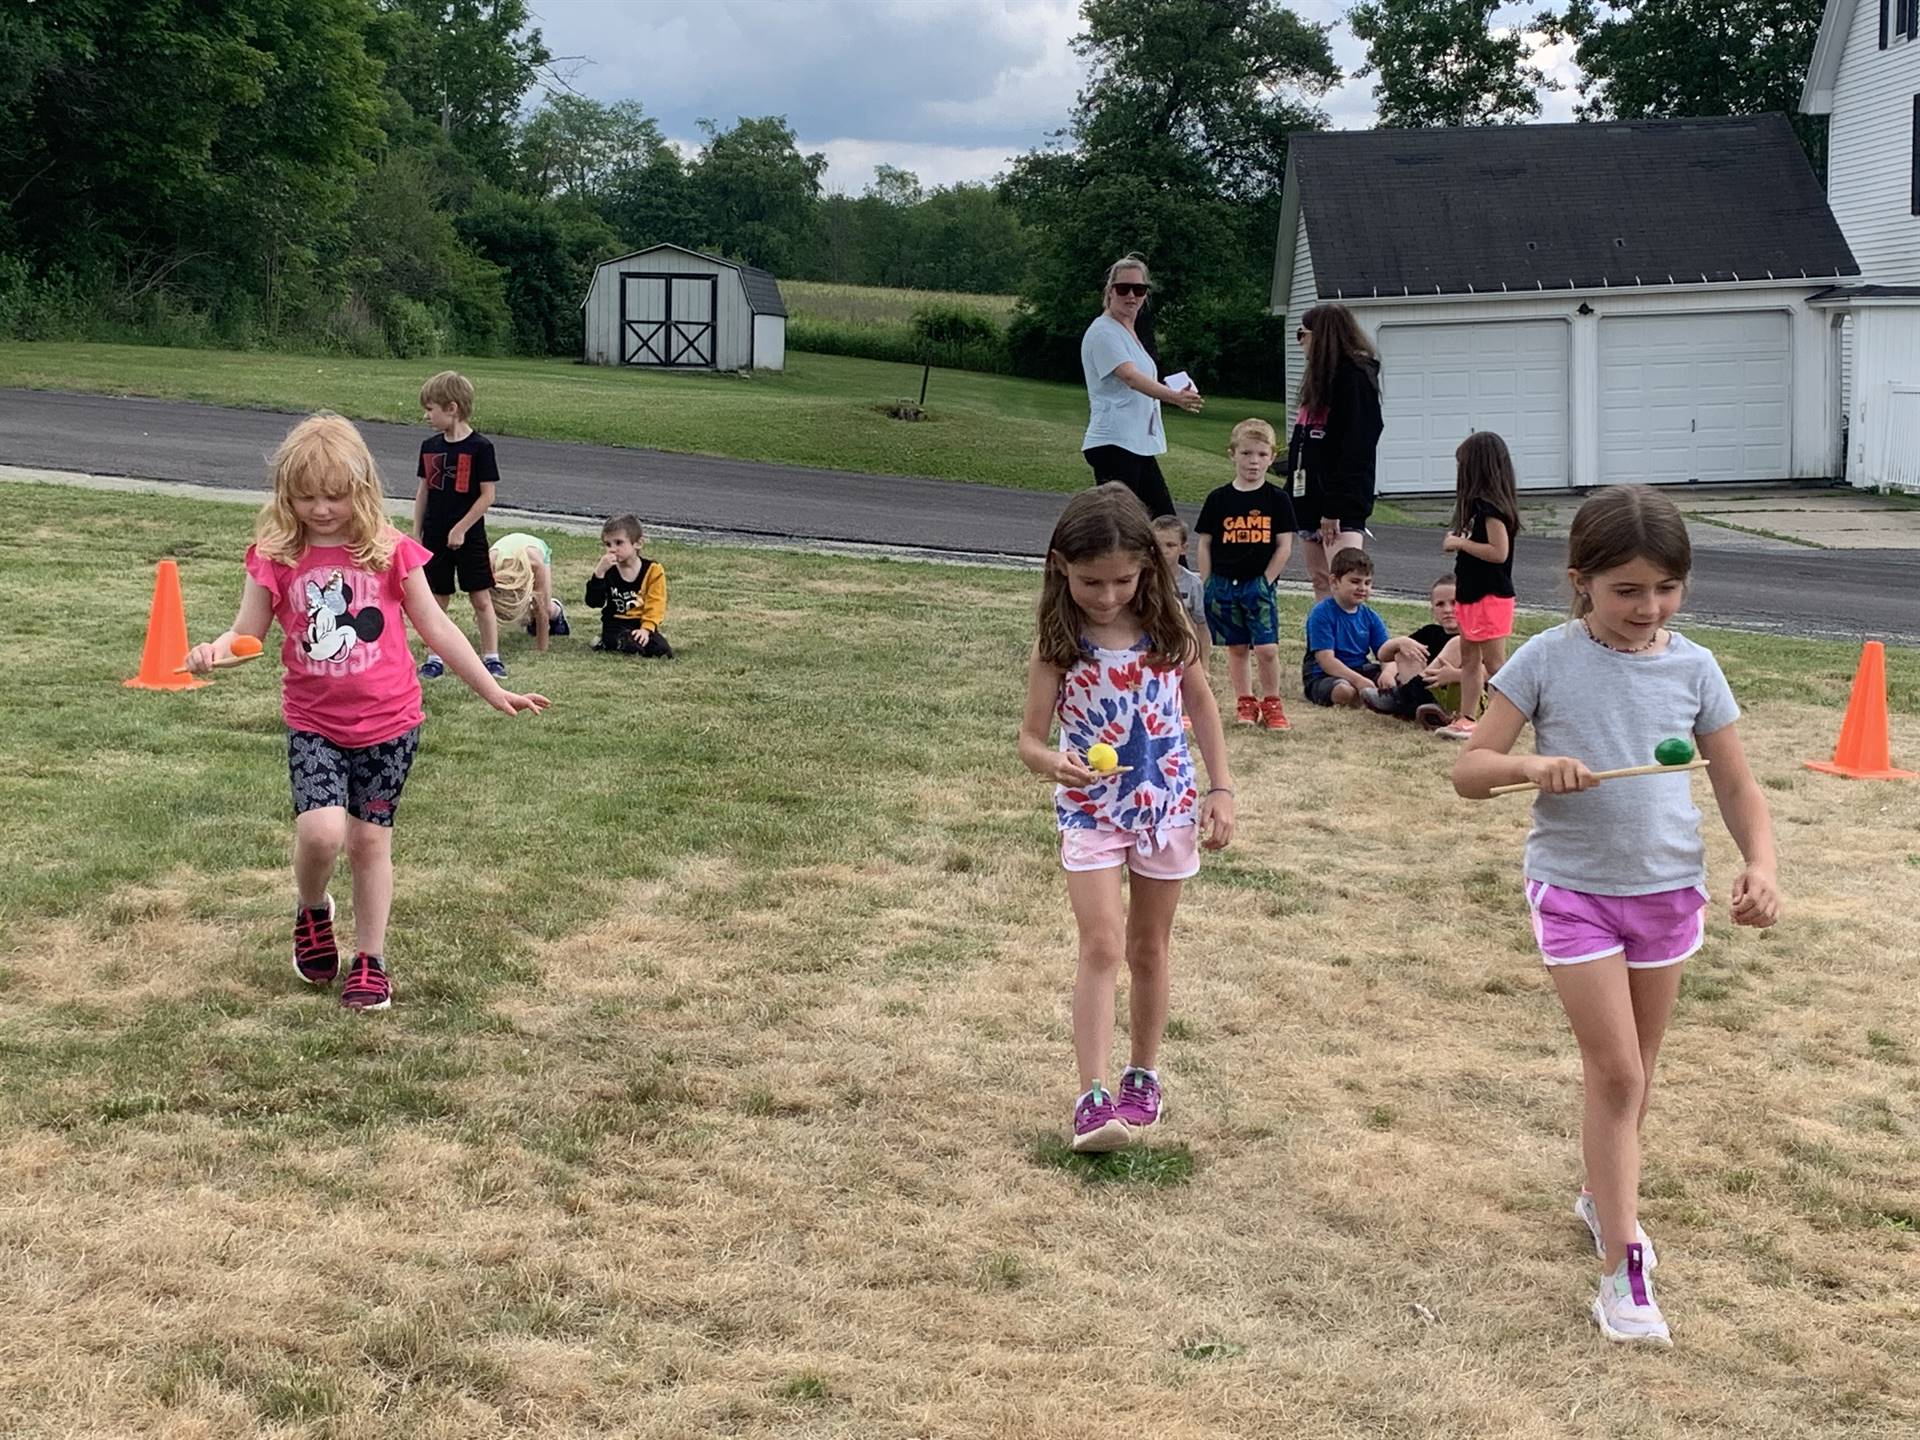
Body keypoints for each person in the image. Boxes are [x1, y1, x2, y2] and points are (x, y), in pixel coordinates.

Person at [1453, 484, 1780, 1349]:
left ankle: (1604, 1197)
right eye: (1627, 590)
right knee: (1619, 1072)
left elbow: (1735, 784)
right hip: (1574, 892)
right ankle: (1621, 1274)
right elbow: (1471, 769)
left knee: (1638, 1073)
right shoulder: (1547, 661)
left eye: (1666, 588)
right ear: (1581, 582)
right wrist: (1534, 767)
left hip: (1667, 892)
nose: (1649, 607)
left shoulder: (1695, 668)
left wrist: (1761, 862)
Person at [185, 414, 549, 1012]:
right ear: (285, 495)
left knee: (368, 844)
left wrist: (492, 688)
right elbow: (245, 634)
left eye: (334, 495)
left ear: (360, 489)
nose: (321, 509)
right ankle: (312, 910)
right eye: (306, 497)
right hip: (314, 723)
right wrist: (212, 655)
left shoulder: (387, 550)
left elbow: (435, 627)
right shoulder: (274, 555)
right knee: (323, 832)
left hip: (391, 725)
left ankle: (371, 961)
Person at [1017, 484, 1235, 1154]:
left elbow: (1200, 705)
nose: (1107, 596)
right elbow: (1029, 741)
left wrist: (1220, 788)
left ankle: (1143, 1073)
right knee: (1103, 944)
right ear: (1060, 565)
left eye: (1122, 580)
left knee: (1149, 948)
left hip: (1165, 807)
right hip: (1091, 813)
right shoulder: (1060, 641)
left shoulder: (1168, 629)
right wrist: (1055, 763)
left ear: (1146, 567)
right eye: (1091, 582)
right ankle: (1092, 1097)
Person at [1080, 254, 1203, 520]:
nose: (1131, 296)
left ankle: (1173, 563)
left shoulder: (1130, 333)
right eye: (1123, 289)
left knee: (1163, 522)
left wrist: (1177, 388)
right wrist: (1173, 397)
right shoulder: (1103, 332)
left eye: (1139, 289)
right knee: (1123, 524)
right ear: (1110, 291)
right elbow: (1131, 377)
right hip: (1114, 443)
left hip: (1137, 444)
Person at [1194, 418, 1296, 731]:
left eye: (1262, 455)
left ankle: (1272, 702)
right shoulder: (1218, 499)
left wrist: (1266, 581)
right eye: (1247, 453)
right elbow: (1205, 542)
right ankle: (1245, 701)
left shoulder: (1277, 499)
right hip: (1224, 584)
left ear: (1271, 456)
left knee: (1266, 648)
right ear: (1233, 454)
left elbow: (1284, 546)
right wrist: (1208, 582)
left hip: (1258, 584)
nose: (1254, 461)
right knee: (1237, 647)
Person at [1281, 303, 1383, 602]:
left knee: (1345, 586)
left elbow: (1356, 449)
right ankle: (1323, 647)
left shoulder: (1354, 379)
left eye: (1303, 334)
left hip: (1340, 506)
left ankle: (1348, 646)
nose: (1300, 341)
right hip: (1309, 498)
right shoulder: (1319, 380)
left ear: (1322, 336)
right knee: (1321, 581)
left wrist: (1334, 508)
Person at [414, 370, 504, 681]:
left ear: (452, 408)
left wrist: (462, 528)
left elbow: (487, 495)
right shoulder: (430, 447)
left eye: (431, 409)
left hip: (470, 536)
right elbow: (424, 490)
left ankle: (491, 657)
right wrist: (417, 532)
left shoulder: (481, 447)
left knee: (480, 597)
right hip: (435, 535)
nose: (426, 415)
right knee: (436, 598)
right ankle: (434, 656)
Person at [1438, 431, 1521, 741]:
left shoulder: (1492, 511)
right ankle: (1468, 717)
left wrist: (1460, 542)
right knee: (1470, 658)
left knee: (1495, 662)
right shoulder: (1474, 511)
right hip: (1469, 593)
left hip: (1491, 595)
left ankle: (1506, 717)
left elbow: (1498, 553)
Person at [1300, 547, 1425, 708]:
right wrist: (1359, 681)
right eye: (1355, 581)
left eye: (1367, 582)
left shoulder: (1370, 616)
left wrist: (1387, 673)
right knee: (1344, 691)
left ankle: (1379, 697)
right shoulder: (1321, 613)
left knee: (1400, 680)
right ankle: (1368, 697)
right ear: (1334, 581)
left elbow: (1385, 654)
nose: (1362, 588)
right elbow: (1326, 661)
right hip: (1324, 675)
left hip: (1360, 668)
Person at [1362, 575, 1464, 730]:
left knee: (1457, 644)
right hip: (1430, 696)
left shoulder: (1475, 638)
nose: (1448, 610)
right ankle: (1421, 709)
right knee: (1405, 652)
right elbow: (1382, 655)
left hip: (1461, 698)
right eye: (1440, 604)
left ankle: (1404, 698)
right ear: (1432, 611)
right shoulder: (1430, 632)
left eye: (1454, 603)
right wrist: (1400, 642)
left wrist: (1455, 675)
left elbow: (1491, 674)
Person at [587, 513, 672, 658]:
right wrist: (599, 573)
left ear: (637, 544)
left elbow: (656, 603)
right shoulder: (608, 569)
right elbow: (594, 602)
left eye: (619, 543)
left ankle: (643, 639)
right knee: (632, 647)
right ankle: (604, 642)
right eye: (608, 544)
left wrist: (646, 629)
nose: (612, 549)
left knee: (662, 650)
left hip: (639, 622)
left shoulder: (653, 570)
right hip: (615, 623)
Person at [1151, 514, 1211, 693]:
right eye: (1157, 545)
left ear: (1183, 548)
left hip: (1180, 650)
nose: (1163, 551)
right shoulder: (1139, 580)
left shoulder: (1193, 584)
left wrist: (1204, 665)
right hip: (1149, 649)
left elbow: (1201, 625)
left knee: (1184, 696)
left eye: (1170, 545)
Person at [489, 530, 568, 650]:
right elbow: (483, 608)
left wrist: (542, 649)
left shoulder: (536, 563)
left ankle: (557, 611)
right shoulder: (489, 565)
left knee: (544, 606)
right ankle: (530, 617)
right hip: (505, 552)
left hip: (534, 549)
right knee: (525, 610)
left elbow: (542, 610)